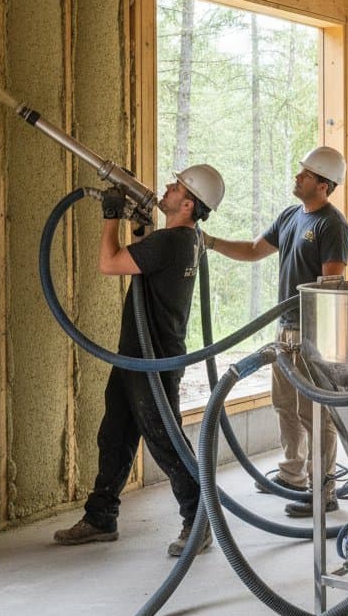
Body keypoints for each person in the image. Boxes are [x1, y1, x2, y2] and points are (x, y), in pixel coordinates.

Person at [53, 164, 226, 556]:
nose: (167, 186)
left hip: (152, 361)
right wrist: (137, 222)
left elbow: (109, 263)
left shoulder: (171, 241)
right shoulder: (186, 239)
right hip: (137, 355)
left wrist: (111, 216)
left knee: (165, 440)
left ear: (188, 204)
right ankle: (101, 517)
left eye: (176, 186)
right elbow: (144, 261)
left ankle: (198, 522)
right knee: (115, 433)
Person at [203, 147, 348, 516]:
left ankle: (323, 490)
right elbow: (254, 250)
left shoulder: (332, 226)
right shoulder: (289, 216)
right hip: (285, 329)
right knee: (285, 405)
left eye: (306, 174)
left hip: (313, 334)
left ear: (324, 185)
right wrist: (210, 242)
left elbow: (331, 286)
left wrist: (318, 337)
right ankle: (291, 474)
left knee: (315, 412)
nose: (298, 177)